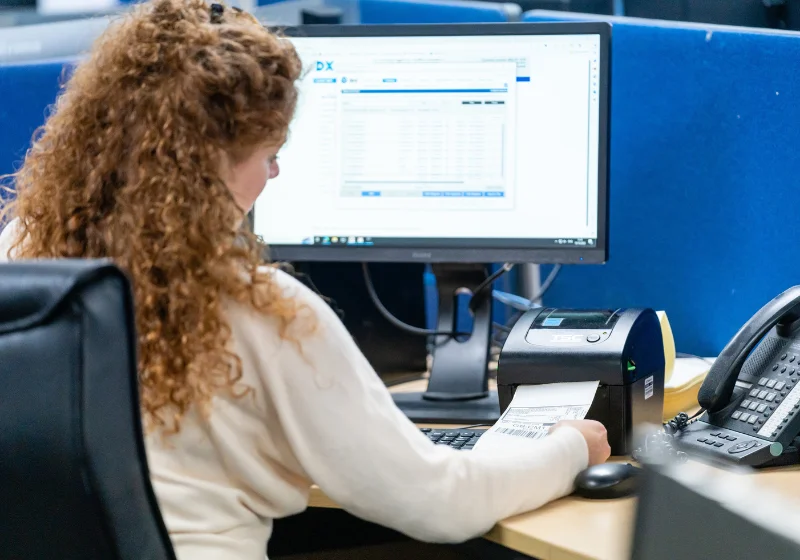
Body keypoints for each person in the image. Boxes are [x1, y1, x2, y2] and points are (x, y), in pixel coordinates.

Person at [0, 1, 611, 558]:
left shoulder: (22, 259)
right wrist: (570, 448)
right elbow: (442, 500)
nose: (273, 174)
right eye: (267, 154)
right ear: (203, 167)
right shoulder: (263, 311)